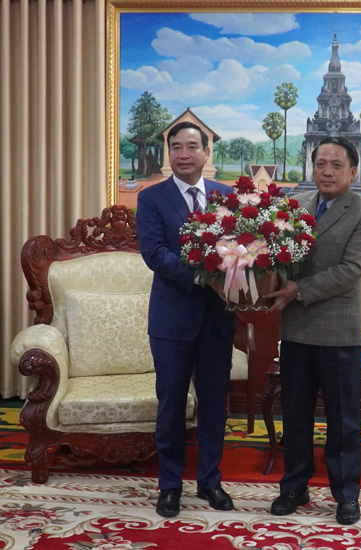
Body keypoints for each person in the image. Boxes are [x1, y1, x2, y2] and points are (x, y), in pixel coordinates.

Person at [264, 136, 361, 525]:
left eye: (335, 165)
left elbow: (352, 271)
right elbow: (277, 258)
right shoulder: (295, 207)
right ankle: (294, 487)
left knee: (343, 420)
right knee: (295, 414)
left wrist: (298, 289)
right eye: (320, 164)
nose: (327, 171)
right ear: (311, 168)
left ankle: (346, 495)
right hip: (295, 328)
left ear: (353, 171)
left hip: (339, 332)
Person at [136, 121, 236, 518]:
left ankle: (211, 481)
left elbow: (240, 249)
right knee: (172, 404)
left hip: (216, 320)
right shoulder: (152, 198)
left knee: (215, 405)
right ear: (169, 152)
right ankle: (170, 485)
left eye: (191, 146)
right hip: (172, 319)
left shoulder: (227, 197)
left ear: (205, 152)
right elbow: (154, 253)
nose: (182, 154)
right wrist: (203, 277)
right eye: (175, 147)